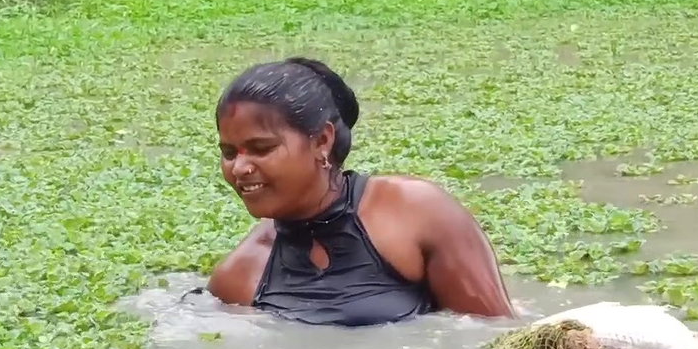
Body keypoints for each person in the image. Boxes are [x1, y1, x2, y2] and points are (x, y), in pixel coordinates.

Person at [203, 57, 517, 327]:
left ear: (322, 141)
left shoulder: (418, 212)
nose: (240, 168)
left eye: (262, 148)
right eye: (229, 153)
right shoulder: (238, 277)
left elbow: (496, 335)